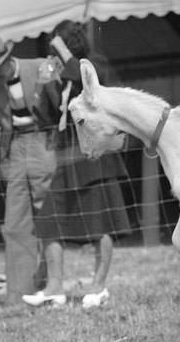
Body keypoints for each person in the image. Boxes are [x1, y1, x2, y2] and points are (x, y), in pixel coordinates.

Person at [0, 32, 80, 304]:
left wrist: (52, 82)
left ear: (8, 58)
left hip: (45, 142)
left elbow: (61, 105)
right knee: (15, 220)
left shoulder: (41, 67)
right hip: (15, 150)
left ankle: (54, 284)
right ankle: (20, 292)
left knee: (48, 213)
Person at [32, 20, 136, 309]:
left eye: (57, 47)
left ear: (68, 44)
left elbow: (86, 80)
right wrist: (43, 84)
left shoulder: (94, 65)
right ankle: (54, 288)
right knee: (49, 220)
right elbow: (46, 118)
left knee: (100, 222)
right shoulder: (60, 76)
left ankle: (99, 286)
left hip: (97, 156)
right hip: (68, 158)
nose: (53, 55)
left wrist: (63, 55)